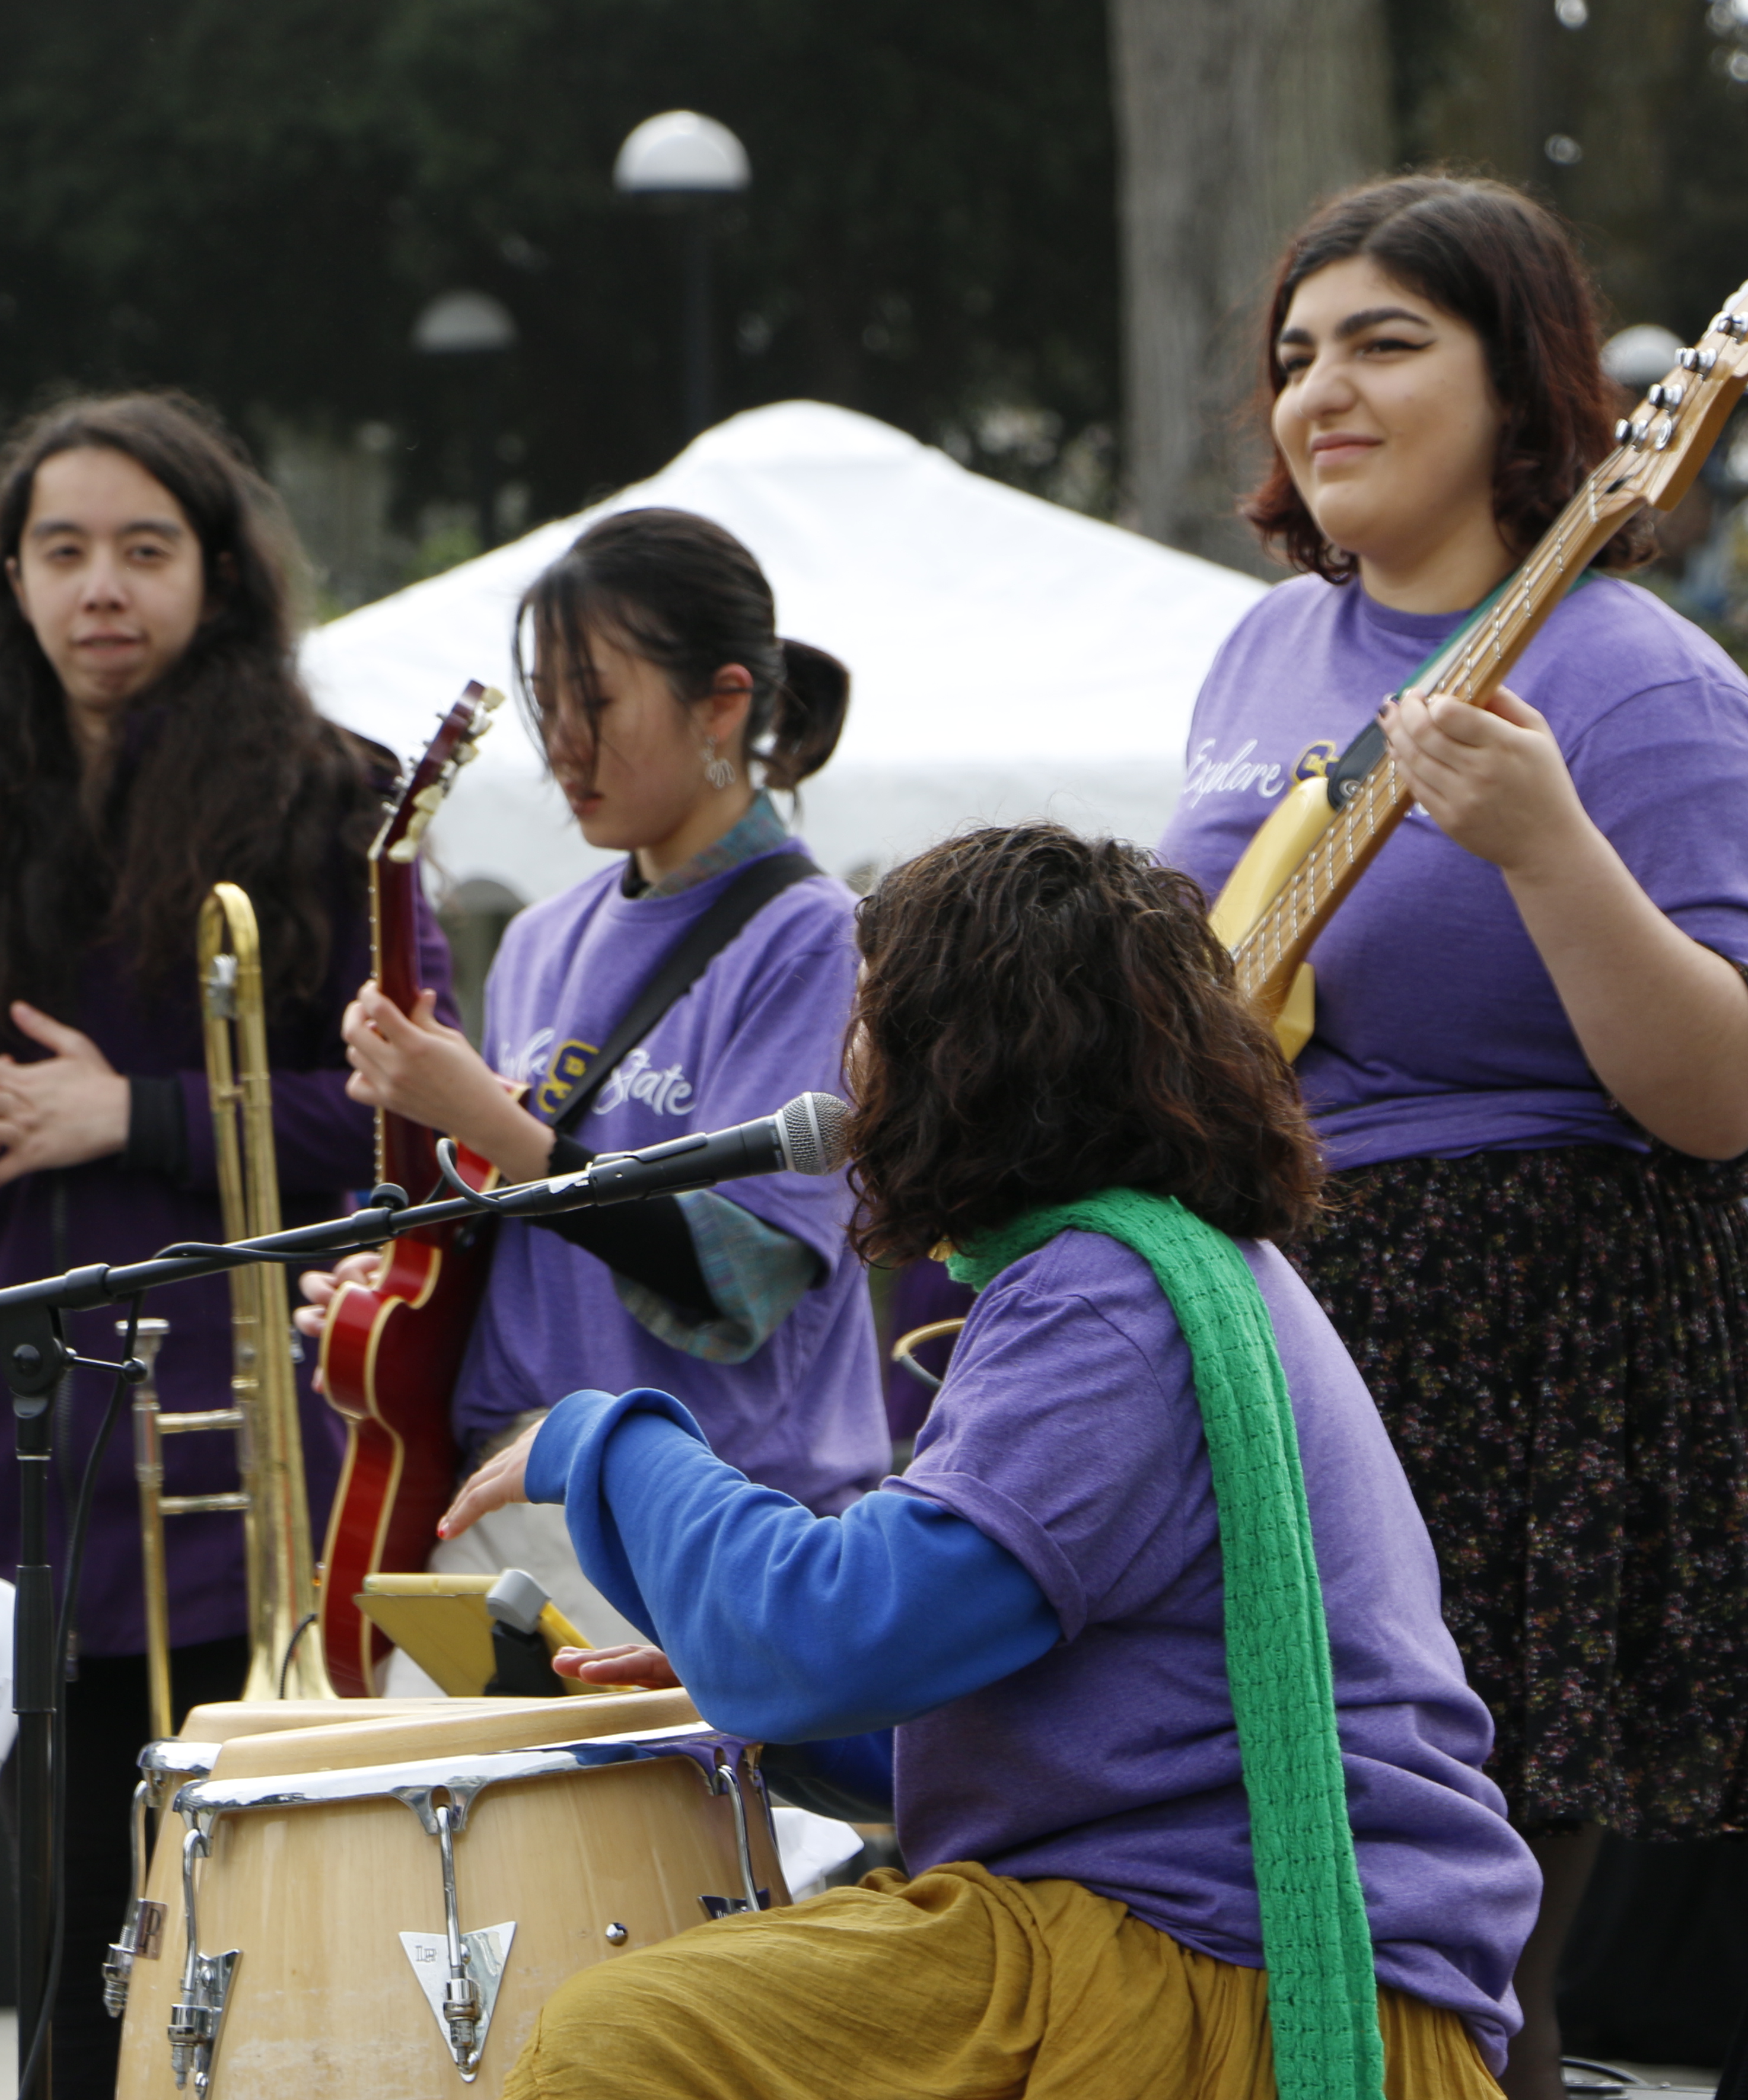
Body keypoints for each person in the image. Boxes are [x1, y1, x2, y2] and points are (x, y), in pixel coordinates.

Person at [428, 824, 1539, 2100]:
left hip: (1218, 1973)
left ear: (968, 1060)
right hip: (1206, 1945)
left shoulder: (1105, 1303)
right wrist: (764, 1718)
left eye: (870, 1024)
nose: (847, 1069)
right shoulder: (1160, 1272)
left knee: (630, 2041)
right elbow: (1055, 1726)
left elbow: (839, 1629)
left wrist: (605, 1440)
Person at [1157, 174, 1748, 2099]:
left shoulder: (1646, 682)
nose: (1323, 391)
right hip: (1288, 1315)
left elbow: (1723, 1099)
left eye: (1387, 342)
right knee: (1278, 1929)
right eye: (1296, 353)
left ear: (1522, 380)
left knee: (1453, 1962)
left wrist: (1550, 848)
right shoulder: (1258, 657)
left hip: (1539, 1347)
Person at [0, 389, 436, 2076]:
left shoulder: (339, 797)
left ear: (219, 575)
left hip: (240, 1464)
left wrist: (136, 1113)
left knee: (243, 1980)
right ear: (11, 584)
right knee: (46, 1985)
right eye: (61, 552)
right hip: (17, 1448)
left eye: (143, 550)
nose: (99, 586)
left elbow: (399, 1126)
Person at [312, 505, 884, 1647]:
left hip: (710, 1524)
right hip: (502, 1504)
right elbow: (530, 1249)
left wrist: (494, 1126)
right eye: (545, 704)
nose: (561, 745)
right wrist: (393, 1300)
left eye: (596, 701)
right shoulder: (535, 941)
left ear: (723, 702)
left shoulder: (814, 936)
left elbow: (745, 1281)